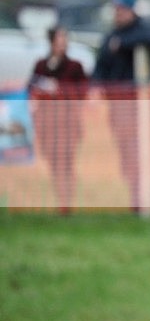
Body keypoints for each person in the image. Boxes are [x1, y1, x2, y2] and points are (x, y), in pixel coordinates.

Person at [92, 0, 150, 211]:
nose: (118, 14)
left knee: (139, 150)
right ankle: (135, 195)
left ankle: (143, 197)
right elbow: (100, 66)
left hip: (138, 106)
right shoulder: (111, 36)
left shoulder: (142, 32)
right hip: (117, 105)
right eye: (116, 9)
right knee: (126, 152)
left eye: (122, 9)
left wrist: (123, 44)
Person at [28, 26, 88, 214]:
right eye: (59, 39)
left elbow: (82, 92)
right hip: (47, 124)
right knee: (54, 162)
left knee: (66, 162)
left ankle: (66, 202)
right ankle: (60, 199)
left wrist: (60, 90)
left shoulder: (75, 67)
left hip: (68, 123)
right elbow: (31, 87)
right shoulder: (41, 65)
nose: (62, 44)